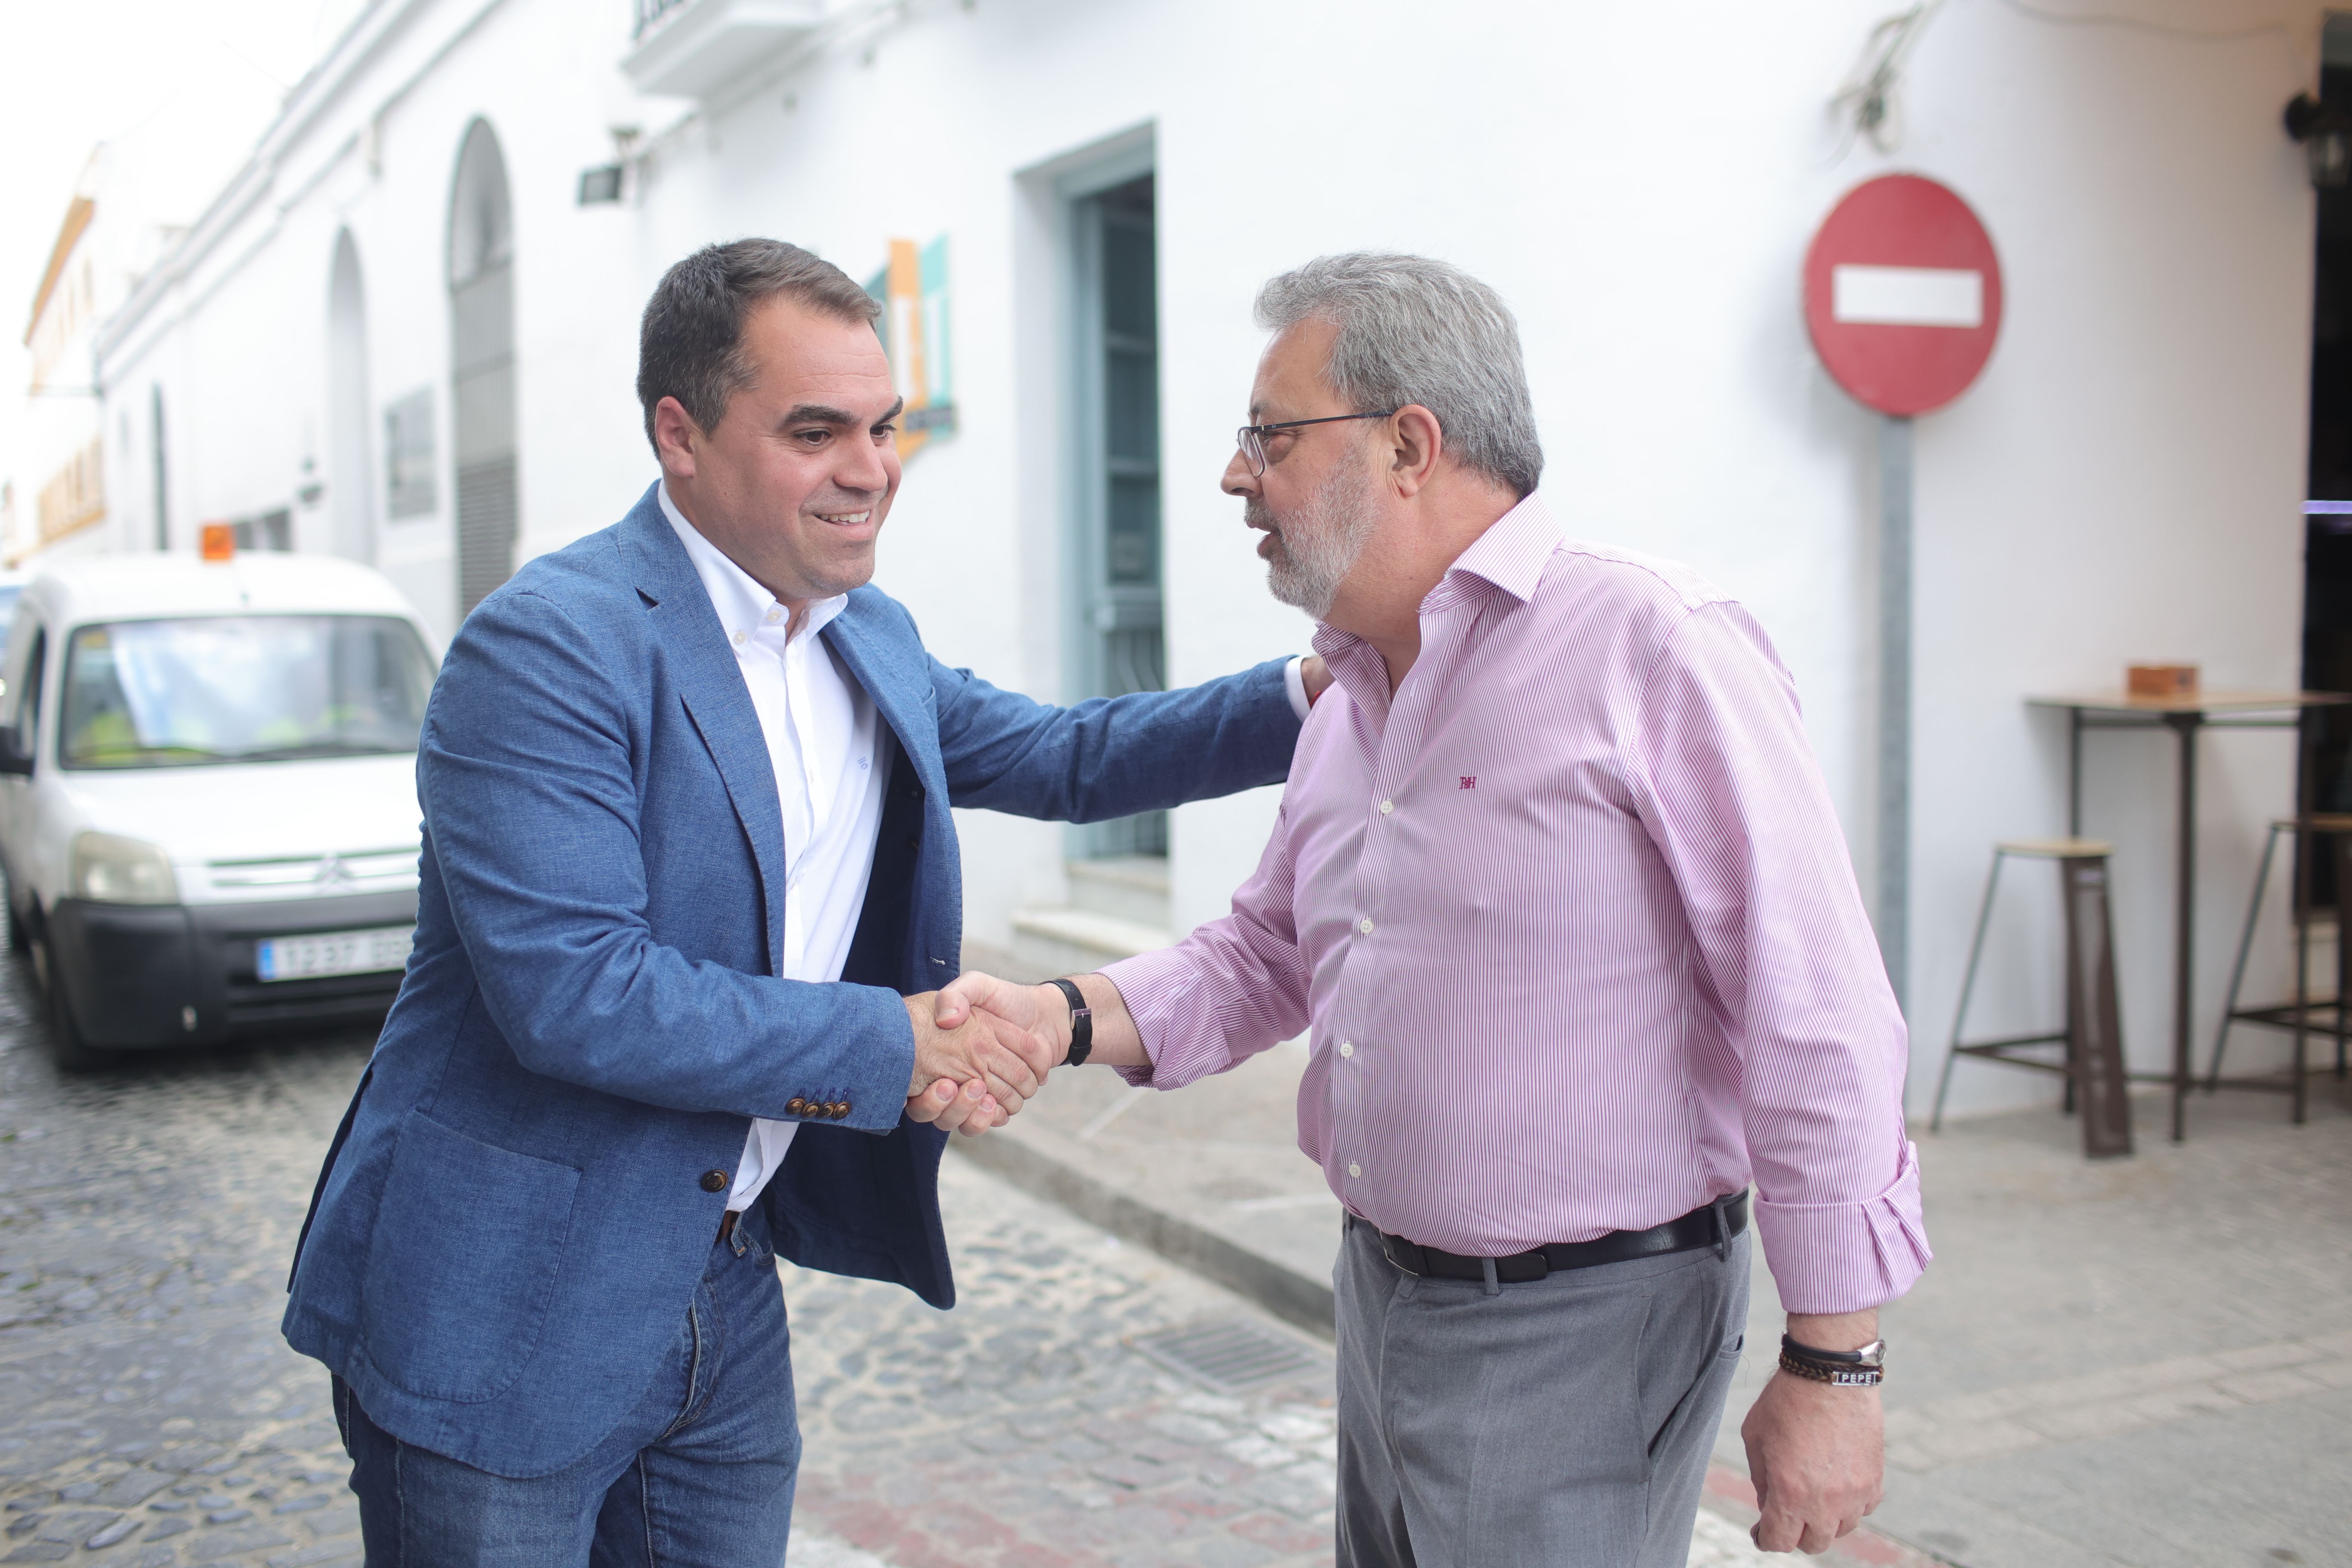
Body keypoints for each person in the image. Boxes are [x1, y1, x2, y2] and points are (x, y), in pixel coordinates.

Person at [282, 238, 1326, 1565]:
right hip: (507, 1303)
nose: (869, 469)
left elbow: (1066, 755)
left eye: (884, 428)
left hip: (719, 1276)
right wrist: (906, 1045)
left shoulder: (860, 632)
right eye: (815, 430)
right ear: (681, 434)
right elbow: (580, 995)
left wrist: (1318, 687)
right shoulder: (548, 645)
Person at [940, 252, 1931, 1566]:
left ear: (1409, 443)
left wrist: (1836, 1359)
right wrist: (1056, 1015)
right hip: (1386, 1292)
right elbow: (1266, 954)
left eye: (1270, 437)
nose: (1238, 476)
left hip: (1585, 1324)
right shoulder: (1352, 688)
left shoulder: (1655, 642)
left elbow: (1814, 1005)